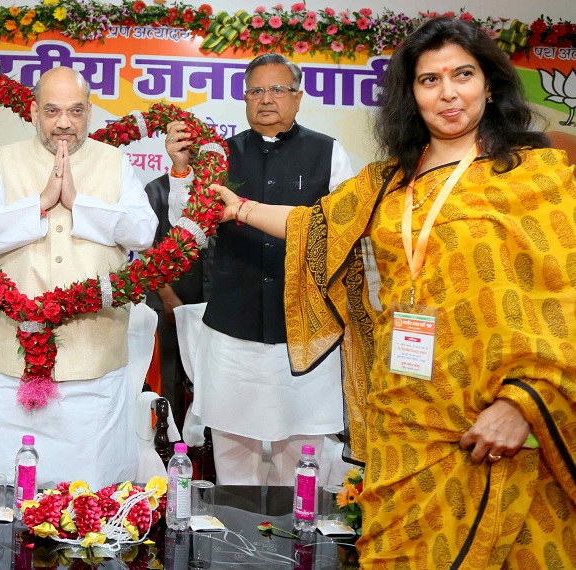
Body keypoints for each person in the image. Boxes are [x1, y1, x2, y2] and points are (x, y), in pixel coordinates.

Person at [175, 17, 575, 567]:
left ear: (489, 84)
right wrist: (240, 209)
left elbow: (563, 297)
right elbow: (316, 224)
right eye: (429, 80)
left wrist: (524, 401)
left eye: (463, 74)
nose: (448, 92)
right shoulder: (389, 179)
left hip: (491, 416)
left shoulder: (533, 175)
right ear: (410, 94)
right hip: (403, 409)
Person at [0, 67, 157, 488]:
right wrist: (42, 203)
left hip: (94, 354)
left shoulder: (114, 161)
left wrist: (78, 204)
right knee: (4, 486)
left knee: (94, 493)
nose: (64, 122)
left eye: (75, 111)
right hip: (14, 353)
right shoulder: (5, 160)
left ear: (90, 112)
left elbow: (143, 231)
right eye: (52, 111)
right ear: (32, 112)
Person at [164, 53, 355, 486]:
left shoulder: (329, 153)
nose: (266, 99)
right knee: (234, 454)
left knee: (302, 455)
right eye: (256, 90)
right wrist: (180, 171)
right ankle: (235, 548)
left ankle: (297, 549)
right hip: (234, 326)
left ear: (299, 97)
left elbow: (345, 231)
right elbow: (185, 226)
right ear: (244, 97)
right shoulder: (220, 154)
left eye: (277, 89)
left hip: (305, 328)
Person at [143, 147, 215, 429]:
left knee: (212, 380)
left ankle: (207, 452)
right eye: (182, 146)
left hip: (212, 303)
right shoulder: (156, 190)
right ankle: (169, 452)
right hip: (168, 301)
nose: (189, 153)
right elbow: (145, 245)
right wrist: (166, 293)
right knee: (169, 379)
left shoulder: (217, 190)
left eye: (193, 147)